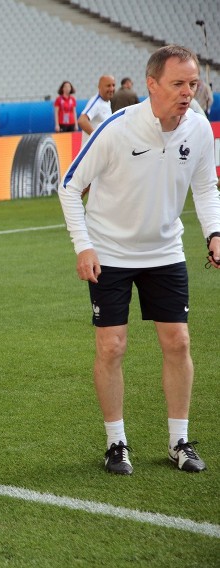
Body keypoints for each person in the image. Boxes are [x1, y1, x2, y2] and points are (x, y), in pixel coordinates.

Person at [59, 45, 220, 475]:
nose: (188, 92)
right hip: (109, 253)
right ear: (152, 84)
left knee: (179, 342)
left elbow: (206, 188)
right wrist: (84, 246)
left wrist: (214, 233)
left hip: (165, 252)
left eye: (193, 84)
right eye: (178, 84)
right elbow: (70, 186)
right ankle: (116, 443)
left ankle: (179, 441)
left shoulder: (200, 129)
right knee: (112, 346)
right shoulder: (116, 129)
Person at [77, 75, 115, 147]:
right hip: (91, 154)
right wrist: (97, 138)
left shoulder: (107, 102)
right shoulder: (96, 102)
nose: (111, 88)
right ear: (99, 87)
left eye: (113, 85)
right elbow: (82, 121)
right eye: (108, 86)